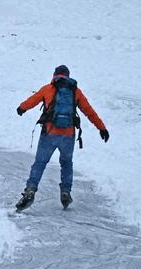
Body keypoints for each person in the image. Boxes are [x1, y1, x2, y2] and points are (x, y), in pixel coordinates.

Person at [14, 65, 110, 211]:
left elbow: (32, 100)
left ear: (55, 75)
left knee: (40, 163)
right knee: (66, 163)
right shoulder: (75, 91)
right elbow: (89, 111)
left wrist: (22, 108)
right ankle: (65, 192)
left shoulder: (48, 88)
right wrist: (101, 128)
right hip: (68, 135)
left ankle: (30, 191)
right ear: (68, 76)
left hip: (49, 133)